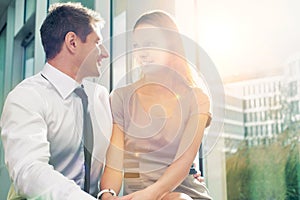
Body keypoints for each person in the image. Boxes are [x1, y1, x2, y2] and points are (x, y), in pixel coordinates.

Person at [0, 2, 111, 199]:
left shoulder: (100, 96)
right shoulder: (26, 98)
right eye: (97, 42)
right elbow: (30, 172)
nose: (104, 53)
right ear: (72, 42)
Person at [99, 11, 212, 200]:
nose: (142, 53)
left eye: (151, 44)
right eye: (137, 46)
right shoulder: (120, 97)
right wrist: (108, 195)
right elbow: (114, 164)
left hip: (185, 196)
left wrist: (150, 195)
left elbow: (183, 163)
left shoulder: (197, 98)